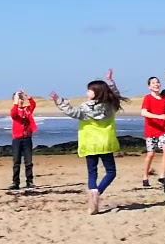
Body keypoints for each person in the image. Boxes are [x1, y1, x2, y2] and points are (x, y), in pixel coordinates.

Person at [51, 69, 125, 215]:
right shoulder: (111, 106)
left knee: (92, 173)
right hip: (105, 143)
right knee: (111, 172)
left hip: (90, 144)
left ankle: (94, 193)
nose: (87, 93)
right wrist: (110, 81)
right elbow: (116, 95)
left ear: (96, 92)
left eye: (89, 91)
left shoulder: (85, 108)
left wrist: (58, 101)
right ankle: (98, 192)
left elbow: (72, 112)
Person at [139, 76, 165, 188]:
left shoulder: (164, 98)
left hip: (163, 130)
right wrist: (158, 117)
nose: (156, 84)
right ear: (149, 87)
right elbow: (143, 113)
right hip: (151, 129)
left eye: (157, 82)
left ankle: (162, 176)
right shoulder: (147, 98)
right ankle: (145, 176)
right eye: (153, 83)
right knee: (151, 154)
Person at [9, 90, 37, 190]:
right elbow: (13, 114)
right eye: (19, 99)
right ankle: (15, 182)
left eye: (22, 99)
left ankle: (29, 181)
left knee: (28, 161)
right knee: (16, 162)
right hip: (17, 139)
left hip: (27, 138)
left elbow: (33, 104)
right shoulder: (15, 110)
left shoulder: (27, 110)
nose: (21, 100)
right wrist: (16, 102)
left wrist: (27, 96)